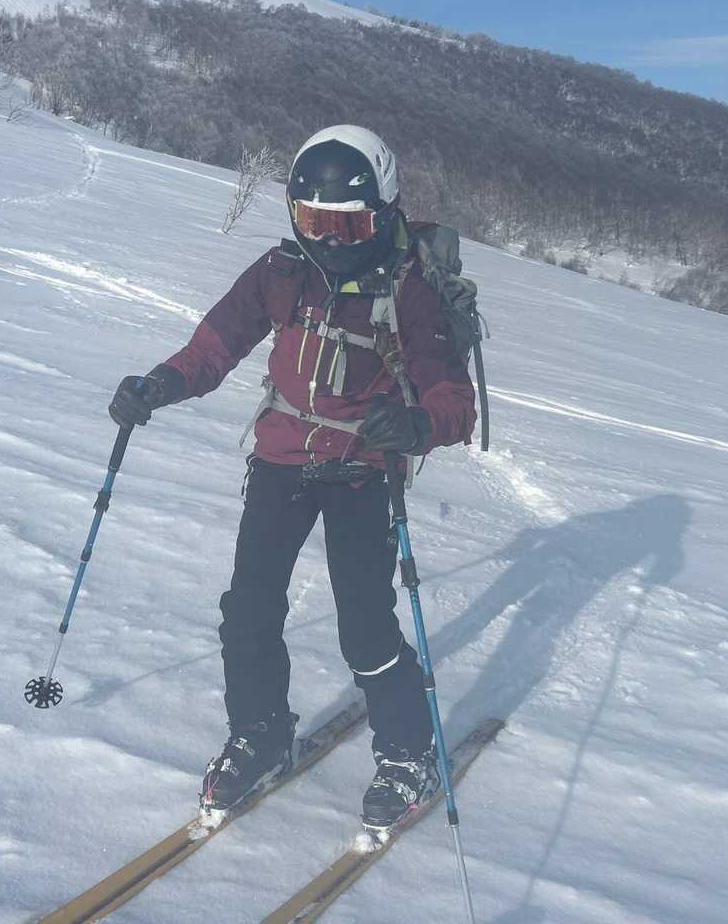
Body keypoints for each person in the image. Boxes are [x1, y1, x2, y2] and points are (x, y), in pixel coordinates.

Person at [108, 125, 476, 829]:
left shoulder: (408, 288)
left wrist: (418, 425)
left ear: (383, 214)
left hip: (363, 468)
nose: (330, 240)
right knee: (248, 611)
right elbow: (213, 347)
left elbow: (453, 400)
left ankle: (408, 754)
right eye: (314, 221)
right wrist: (157, 386)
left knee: (365, 626)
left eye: (349, 225)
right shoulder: (282, 271)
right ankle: (260, 734)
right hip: (281, 460)